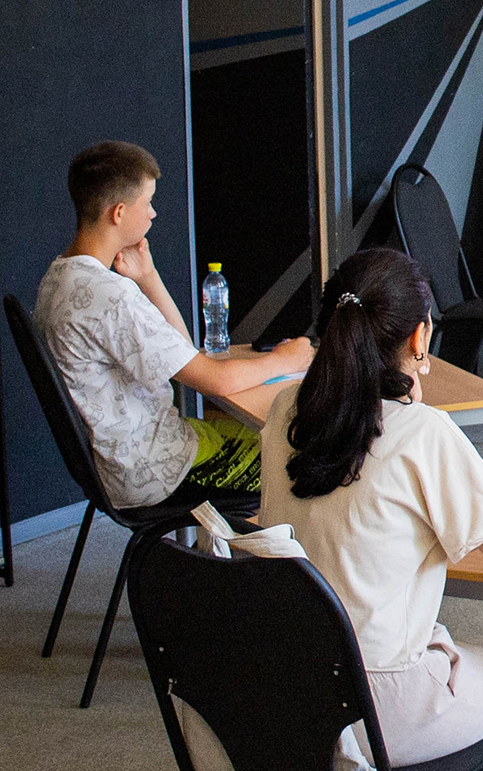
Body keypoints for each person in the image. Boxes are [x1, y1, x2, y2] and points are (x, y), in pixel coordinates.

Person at [258, 247, 483, 764]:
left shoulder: (284, 410)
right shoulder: (424, 433)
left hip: (285, 685)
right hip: (377, 703)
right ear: (420, 336)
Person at [34, 141, 312, 509]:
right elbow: (214, 380)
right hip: (155, 470)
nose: (153, 213)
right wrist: (286, 359)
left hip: (123, 459)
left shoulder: (60, 278)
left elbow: (182, 353)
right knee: (302, 459)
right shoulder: (109, 296)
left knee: (258, 432)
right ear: (119, 212)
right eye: (147, 202)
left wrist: (148, 278)